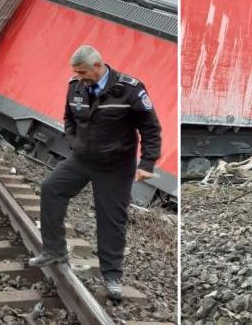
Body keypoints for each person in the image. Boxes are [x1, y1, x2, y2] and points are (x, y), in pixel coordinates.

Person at [28, 45, 161, 301]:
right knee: (51, 189)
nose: (79, 77)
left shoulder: (129, 90)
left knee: (110, 219)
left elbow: (150, 127)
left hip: (116, 165)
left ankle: (112, 275)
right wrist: (74, 142)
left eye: (82, 72)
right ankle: (54, 250)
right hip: (82, 159)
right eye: (76, 73)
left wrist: (147, 163)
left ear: (98, 66)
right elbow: (69, 118)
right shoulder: (75, 86)